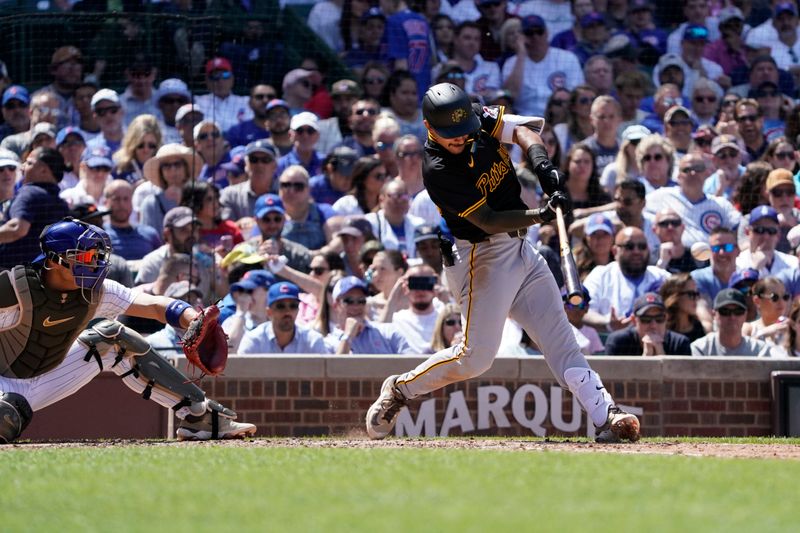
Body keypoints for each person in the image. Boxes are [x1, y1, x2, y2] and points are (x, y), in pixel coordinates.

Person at [364, 83, 640, 442]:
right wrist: (541, 214)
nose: (461, 140)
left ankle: (607, 415)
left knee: (561, 341)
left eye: (465, 132)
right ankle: (401, 389)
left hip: (521, 249)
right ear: (431, 129)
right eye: (452, 136)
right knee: (475, 359)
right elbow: (490, 220)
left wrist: (543, 168)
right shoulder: (437, 170)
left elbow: (522, 132)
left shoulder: (474, 117)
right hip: (481, 255)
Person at [0, 218, 256, 443]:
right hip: (3, 383)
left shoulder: (96, 291)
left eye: (98, 256)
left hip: (45, 378)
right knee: (6, 415)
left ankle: (200, 416)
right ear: (56, 260)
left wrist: (194, 319)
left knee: (111, 336)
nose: (96, 264)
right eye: (87, 257)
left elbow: (155, 306)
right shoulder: (14, 290)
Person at [583, 227, 670, 332]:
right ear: (615, 251)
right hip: (611, 343)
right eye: (629, 247)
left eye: (642, 246)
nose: (636, 251)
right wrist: (607, 323)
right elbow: (583, 311)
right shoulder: (600, 275)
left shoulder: (661, 276)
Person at [645, 152, 741, 247]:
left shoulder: (721, 204)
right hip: (676, 257)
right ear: (678, 176)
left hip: (712, 257)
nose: (693, 173)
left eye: (698, 169)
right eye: (687, 169)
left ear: (707, 173)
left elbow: (739, 228)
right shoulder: (661, 196)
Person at [0, 147, 70, 270]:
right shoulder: (61, 204)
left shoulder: (29, 193)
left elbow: (17, 228)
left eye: (29, 163)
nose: (22, 167)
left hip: (11, 275)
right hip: (43, 277)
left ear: (43, 170)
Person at [501, 15, 585, 117]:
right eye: (529, 33)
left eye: (539, 32)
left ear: (547, 33)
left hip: (561, 118)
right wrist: (521, 53)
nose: (535, 37)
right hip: (524, 119)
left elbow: (576, 94)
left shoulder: (567, 58)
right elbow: (510, 94)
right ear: (521, 37)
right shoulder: (511, 63)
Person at [328, 276, 412, 355]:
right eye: (349, 301)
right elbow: (334, 369)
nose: (356, 306)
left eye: (361, 301)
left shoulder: (387, 332)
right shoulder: (329, 342)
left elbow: (412, 364)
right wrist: (348, 337)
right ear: (336, 305)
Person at [238, 281, 329, 355]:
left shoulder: (313, 340)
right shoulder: (254, 340)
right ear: (269, 312)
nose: (287, 312)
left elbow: (327, 375)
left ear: (298, 310)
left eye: (293, 306)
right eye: (281, 306)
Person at [691, 288, 774, 357]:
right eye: (725, 311)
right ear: (714, 315)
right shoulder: (701, 348)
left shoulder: (760, 350)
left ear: (745, 315)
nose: (732, 317)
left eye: (738, 311)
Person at [604, 292, 692, 356]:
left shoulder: (680, 343)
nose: (653, 325)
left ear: (666, 318)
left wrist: (662, 356)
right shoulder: (618, 342)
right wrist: (646, 358)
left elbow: (684, 380)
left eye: (659, 319)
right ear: (634, 321)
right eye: (646, 319)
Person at [134, 206, 200, 286]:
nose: (191, 234)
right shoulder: (153, 263)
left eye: (194, 229)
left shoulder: (204, 261)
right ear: (167, 234)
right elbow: (142, 296)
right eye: (184, 230)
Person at [219, 140, 279, 223]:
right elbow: (225, 228)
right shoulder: (230, 195)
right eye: (254, 160)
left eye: (265, 160)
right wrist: (239, 225)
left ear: (275, 165)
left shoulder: (287, 191)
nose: (259, 164)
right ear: (246, 165)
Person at [102, 180, 161, 261]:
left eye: (126, 199)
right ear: (106, 202)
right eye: (116, 199)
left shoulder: (150, 234)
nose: (122, 204)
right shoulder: (99, 236)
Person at [736, 205, 799, 278]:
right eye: (759, 230)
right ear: (748, 232)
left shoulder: (792, 263)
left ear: (778, 235)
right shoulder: (737, 263)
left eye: (771, 231)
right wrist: (754, 270)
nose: (766, 236)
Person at [194, 57, 250, 133]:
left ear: (232, 78)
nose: (220, 80)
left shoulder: (247, 101)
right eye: (214, 76)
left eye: (225, 75)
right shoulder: (197, 102)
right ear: (207, 81)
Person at [742, 276, 791, 355]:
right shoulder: (748, 329)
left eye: (785, 297)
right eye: (774, 297)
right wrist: (764, 333)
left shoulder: (794, 327)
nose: (781, 302)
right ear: (757, 301)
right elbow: (740, 355)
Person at [224, 84, 275, 150]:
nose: (265, 100)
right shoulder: (236, 131)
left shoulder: (285, 130)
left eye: (270, 97)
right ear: (250, 103)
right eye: (259, 97)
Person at [659, 272, 707, 343]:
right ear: (675, 296)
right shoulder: (661, 329)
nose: (696, 299)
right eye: (691, 294)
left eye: (697, 294)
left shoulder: (699, 329)